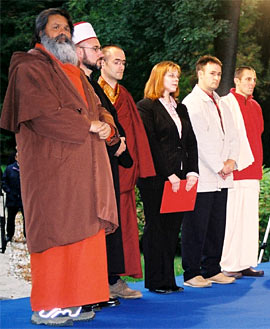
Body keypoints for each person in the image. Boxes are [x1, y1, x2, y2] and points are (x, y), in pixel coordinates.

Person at [0, 8, 119, 326]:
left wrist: (106, 125)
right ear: (41, 34)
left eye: (66, 27)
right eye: (55, 27)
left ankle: (75, 301)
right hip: (52, 172)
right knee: (56, 235)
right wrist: (88, 126)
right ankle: (48, 305)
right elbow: (42, 114)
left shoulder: (75, 71)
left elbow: (98, 107)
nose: (63, 32)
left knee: (84, 236)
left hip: (84, 171)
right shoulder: (28, 67)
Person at [72, 22, 137, 303]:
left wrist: (116, 139)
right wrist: (111, 136)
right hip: (87, 166)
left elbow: (105, 117)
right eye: (96, 48)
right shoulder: (74, 82)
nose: (99, 53)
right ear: (77, 50)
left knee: (107, 227)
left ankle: (106, 282)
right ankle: (93, 287)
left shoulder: (87, 84)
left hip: (107, 162)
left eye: (100, 48)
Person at [136, 61, 199, 293]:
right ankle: (155, 281)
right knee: (157, 227)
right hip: (156, 178)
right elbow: (150, 145)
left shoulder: (180, 108)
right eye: (170, 75)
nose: (175, 79)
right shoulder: (146, 107)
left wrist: (192, 171)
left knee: (173, 228)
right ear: (158, 78)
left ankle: (169, 280)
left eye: (177, 75)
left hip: (180, 177)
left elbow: (190, 142)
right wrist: (169, 174)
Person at [99, 45, 156, 297]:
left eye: (124, 62)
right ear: (102, 62)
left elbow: (137, 136)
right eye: (116, 62)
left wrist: (139, 168)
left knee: (123, 228)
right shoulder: (91, 92)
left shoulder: (126, 96)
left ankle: (115, 280)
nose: (121, 66)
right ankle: (98, 280)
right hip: (100, 173)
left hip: (123, 172)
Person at [181, 55, 239, 287]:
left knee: (217, 224)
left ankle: (212, 268)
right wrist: (219, 166)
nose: (216, 78)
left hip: (223, 174)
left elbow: (233, 134)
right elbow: (199, 140)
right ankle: (192, 272)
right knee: (196, 225)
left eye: (218, 73)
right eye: (211, 73)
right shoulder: (191, 103)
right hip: (203, 174)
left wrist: (232, 160)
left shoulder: (221, 102)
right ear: (200, 74)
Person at [219, 66, 264, 278]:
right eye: (247, 79)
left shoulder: (256, 106)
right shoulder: (226, 103)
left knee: (249, 221)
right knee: (233, 221)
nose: (251, 83)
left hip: (253, 170)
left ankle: (246, 262)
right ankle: (228, 263)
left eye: (254, 79)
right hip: (235, 172)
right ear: (236, 80)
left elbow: (258, 133)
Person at [2, 152, 25, 243]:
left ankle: (27, 236)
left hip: (24, 200)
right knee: (11, 218)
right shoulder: (9, 169)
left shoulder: (28, 169)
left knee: (27, 219)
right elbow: (4, 182)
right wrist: (9, 191)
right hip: (12, 198)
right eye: (19, 156)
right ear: (16, 158)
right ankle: (9, 235)